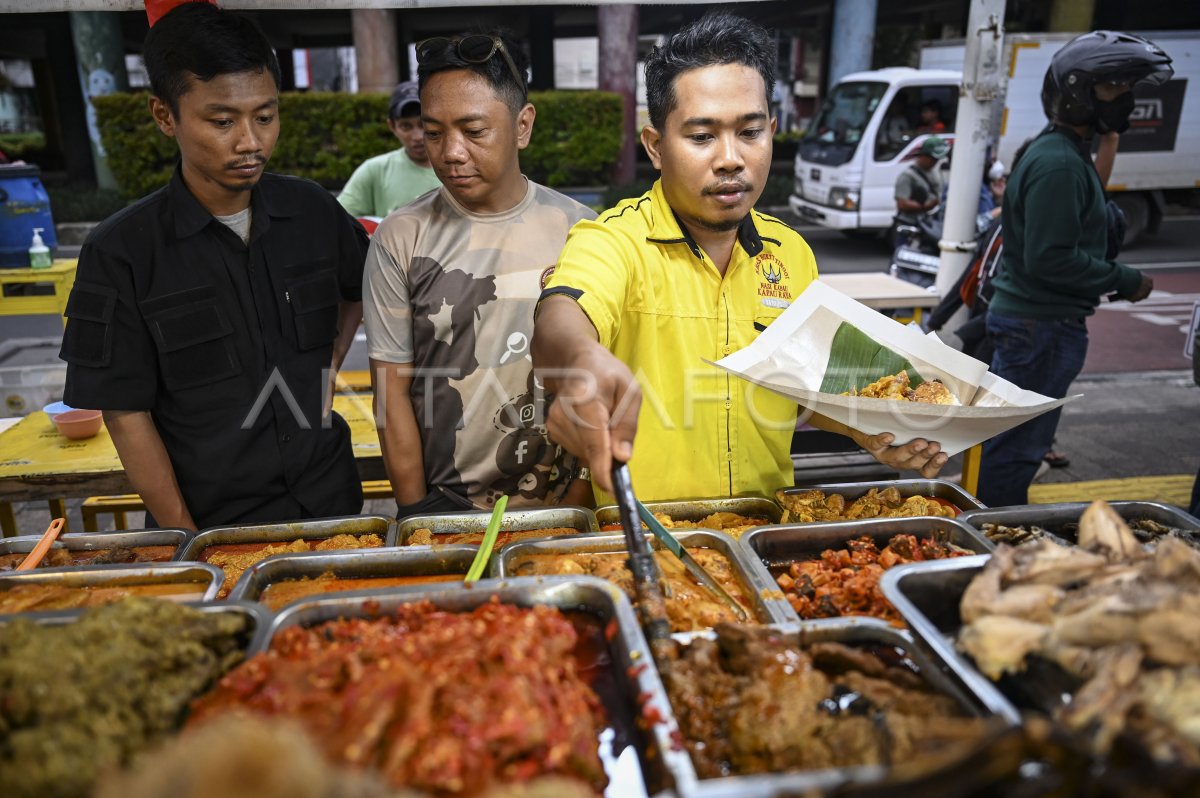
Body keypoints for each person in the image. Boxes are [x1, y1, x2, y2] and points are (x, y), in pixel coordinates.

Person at [532, 12, 948, 502]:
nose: (730, 158)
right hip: (643, 539)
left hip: (765, 534)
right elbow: (560, 318)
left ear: (771, 131)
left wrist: (873, 431)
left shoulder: (791, 253)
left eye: (749, 132)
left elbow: (799, 395)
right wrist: (581, 362)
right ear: (656, 146)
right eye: (702, 136)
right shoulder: (614, 241)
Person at [59, 3, 368, 531]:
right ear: (164, 116)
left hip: (330, 504)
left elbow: (357, 288)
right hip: (215, 521)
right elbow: (124, 414)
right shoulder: (122, 251)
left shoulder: (312, 211)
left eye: (265, 117)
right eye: (222, 121)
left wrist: (327, 367)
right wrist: (187, 537)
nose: (250, 142)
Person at [364, 31, 595, 516]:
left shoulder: (583, 231)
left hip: (562, 506)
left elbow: (600, 381)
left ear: (522, 125)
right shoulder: (401, 238)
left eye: (474, 131)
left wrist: (578, 504)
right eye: (433, 132)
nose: (450, 152)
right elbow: (392, 394)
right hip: (447, 507)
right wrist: (417, 514)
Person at [978, 30, 1171, 507]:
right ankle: (989, 548)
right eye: (1115, 89)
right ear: (1080, 94)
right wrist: (1125, 280)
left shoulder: (1063, 154)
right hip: (1040, 328)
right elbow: (1051, 258)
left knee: (1018, 445)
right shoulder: (1058, 163)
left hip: (1040, 326)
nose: (1126, 100)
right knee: (1016, 450)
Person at [336, 81, 442, 219]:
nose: (417, 136)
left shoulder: (459, 167)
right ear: (392, 126)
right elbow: (338, 219)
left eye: (423, 124)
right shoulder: (375, 170)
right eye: (406, 126)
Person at [894, 135, 949, 240]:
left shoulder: (933, 172)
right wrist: (925, 206)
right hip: (909, 226)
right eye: (932, 159)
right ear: (924, 156)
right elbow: (902, 204)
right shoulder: (907, 176)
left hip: (926, 225)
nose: (935, 162)